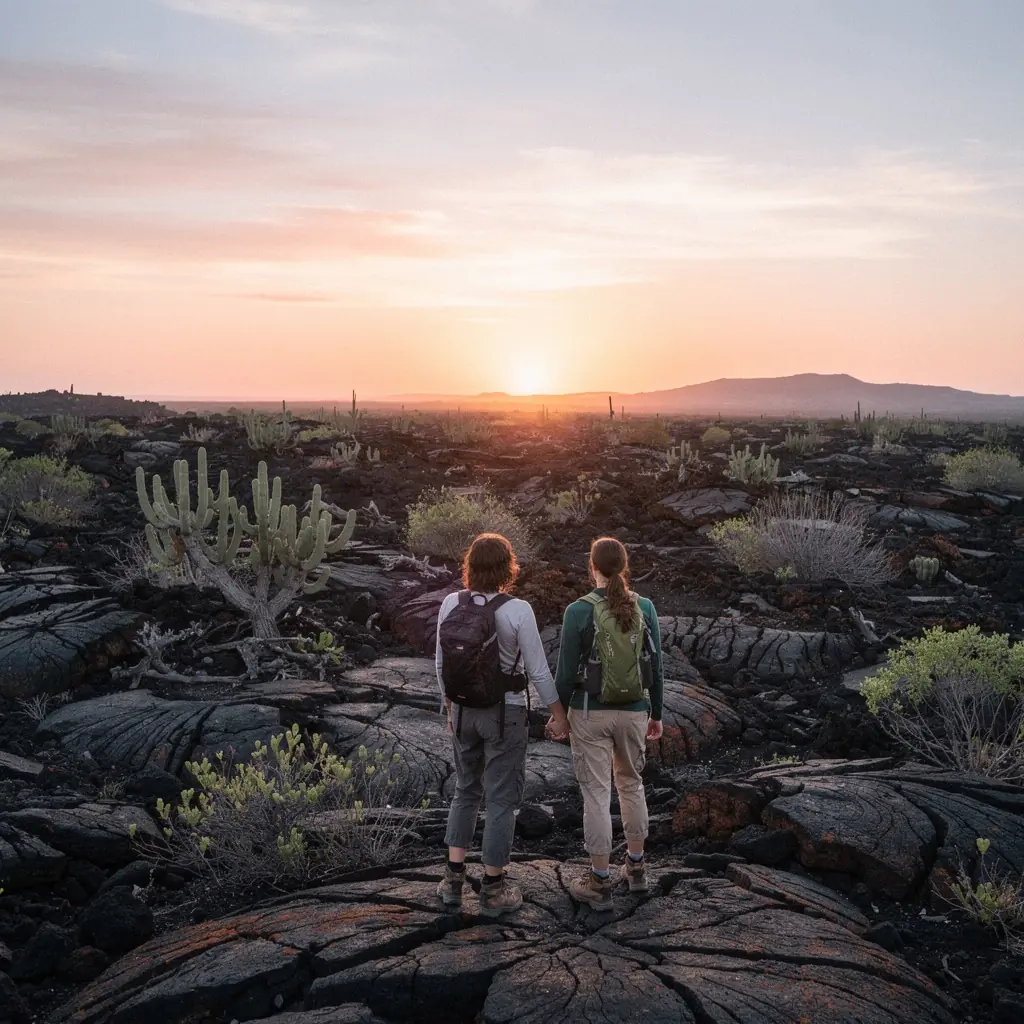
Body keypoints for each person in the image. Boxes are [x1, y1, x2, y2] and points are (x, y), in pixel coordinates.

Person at [435, 532, 569, 917]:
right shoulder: (518, 610)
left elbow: (442, 665)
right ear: (507, 568)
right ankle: (493, 890)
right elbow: (539, 671)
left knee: (464, 791)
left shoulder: (449, 603)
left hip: (462, 713)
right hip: (506, 714)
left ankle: (452, 881)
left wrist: (448, 706)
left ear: (470, 567)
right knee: (501, 800)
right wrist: (559, 715)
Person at [551, 536, 664, 910]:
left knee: (597, 796)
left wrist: (560, 716)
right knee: (632, 785)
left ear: (592, 566)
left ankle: (599, 881)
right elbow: (656, 668)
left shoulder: (578, 611)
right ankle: (637, 869)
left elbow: (566, 674)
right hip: (634, 712)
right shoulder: (644, 606)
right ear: (624, 566)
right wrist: (657, 714)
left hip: (590, 712)